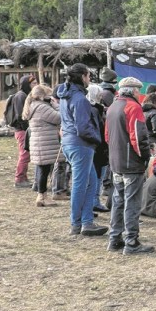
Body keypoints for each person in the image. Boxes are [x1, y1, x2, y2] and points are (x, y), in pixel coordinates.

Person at [56, 64, 107, 237]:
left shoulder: (66, 96)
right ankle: (76, 223)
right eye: (88, 76)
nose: (90, 79)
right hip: (80, 145)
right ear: (83, 77)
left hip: (71, 143)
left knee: (91, 182)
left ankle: (86, 222)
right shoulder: (80, 100)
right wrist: (98, 139)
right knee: (80, 185)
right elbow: (83, 128)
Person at [106, 76, 154, 254]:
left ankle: (114, 238)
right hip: (131, 163)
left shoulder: (112, 107)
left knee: (118, 200)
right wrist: (145, 157)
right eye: (138, 91)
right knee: (132, 202)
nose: (140, 94)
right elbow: (139, 137)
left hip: (116, 160)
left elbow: (107, 136)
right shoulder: (133, 107)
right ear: (134, 90)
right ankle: (131, 241)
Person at [22, 84, 60, 208]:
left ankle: (41, 196)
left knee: (42, 169)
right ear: (43, 96)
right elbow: (59, 117)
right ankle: (42, 197)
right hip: (45, 142)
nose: (51, 98)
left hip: (39, 142)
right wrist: (55, 104)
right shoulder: (42, 107)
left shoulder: (34, 105)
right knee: (44, 170)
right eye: (49, 96)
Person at [86, 83, 111, 214]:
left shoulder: (97, 109)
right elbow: (98, 129)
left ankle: (94, 201)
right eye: (100, 94)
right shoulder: (94, 110)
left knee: (98, 176)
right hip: (98, 148)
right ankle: (94, 202)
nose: (102, 96)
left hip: (99, 147)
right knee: (96, 177)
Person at [11, 75, 36, 188]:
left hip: (24, 129)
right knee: (24, 155)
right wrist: (28, 128)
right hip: (22, 130)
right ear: (27, 84)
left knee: (26, 154)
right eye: (33, 84)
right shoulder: (21, 96)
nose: (35, 86)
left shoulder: (26, 95)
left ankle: (23, 178)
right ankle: (19, 179)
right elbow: (21, 116)